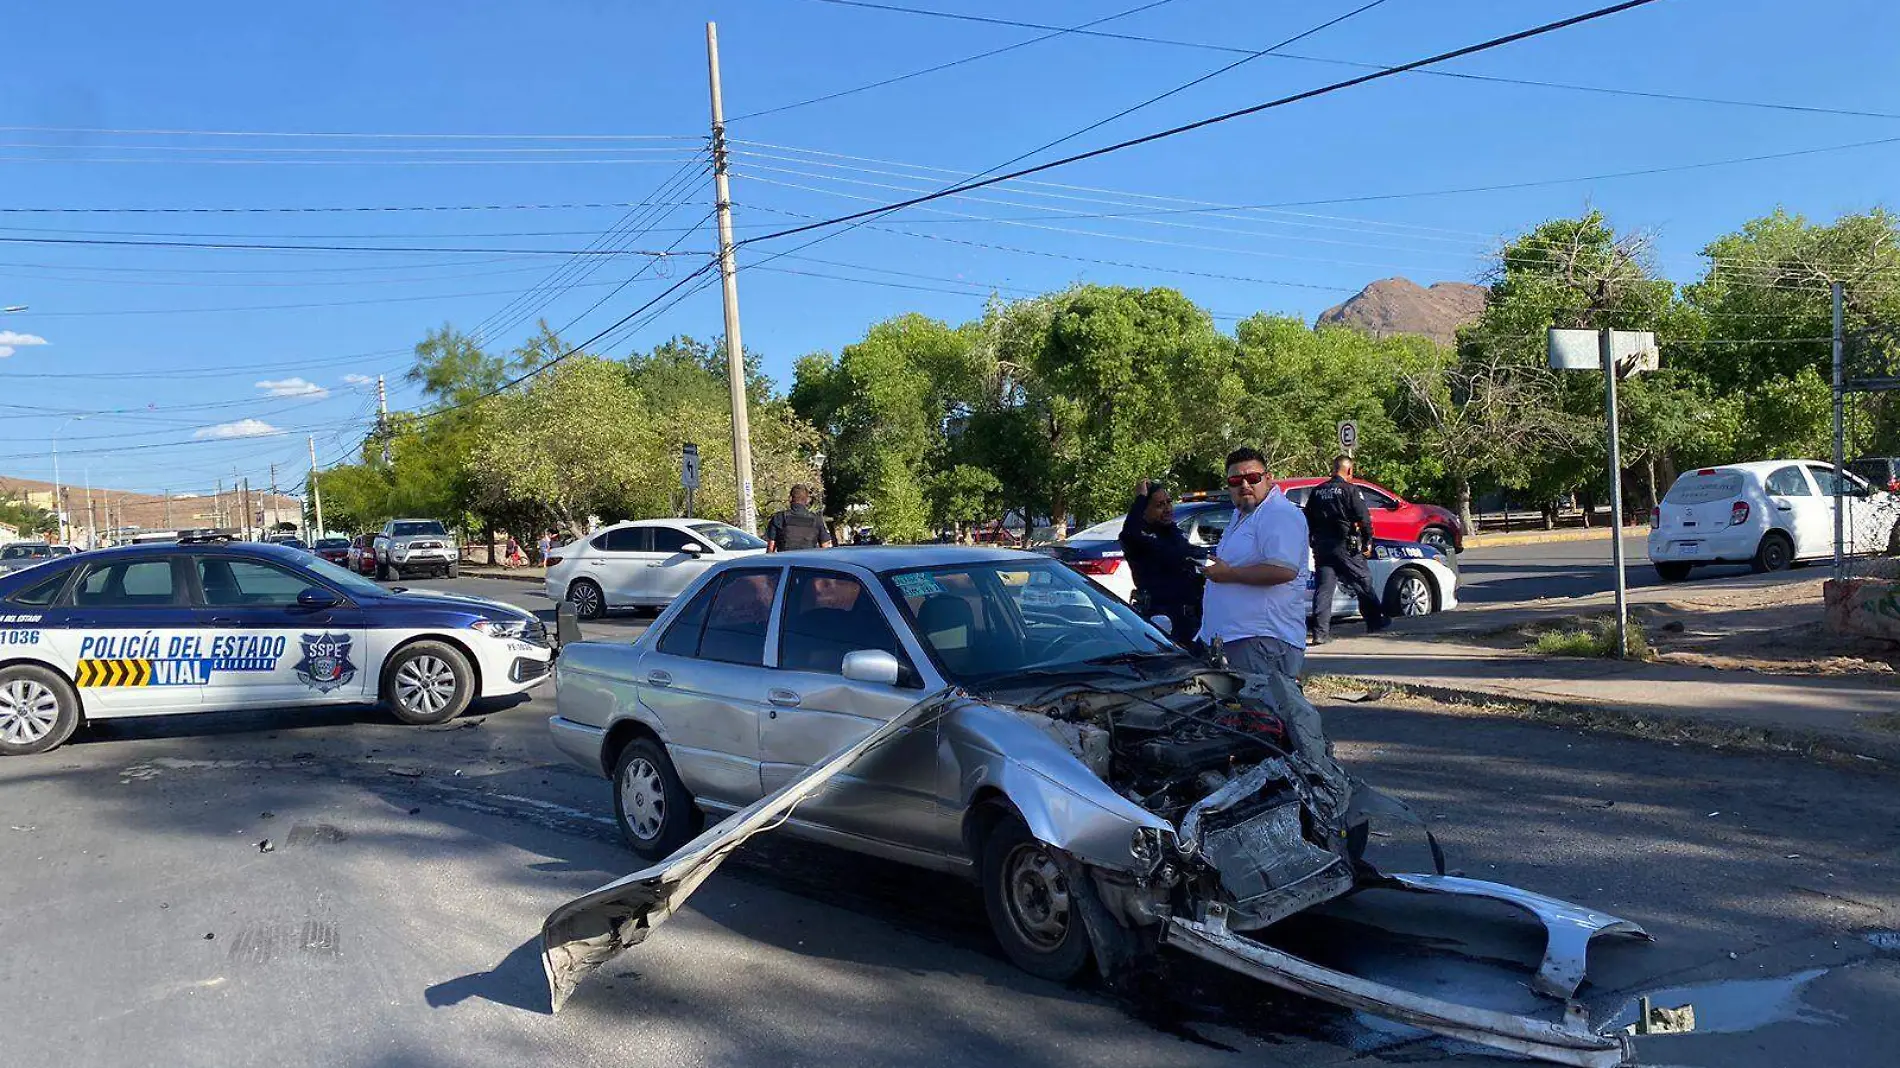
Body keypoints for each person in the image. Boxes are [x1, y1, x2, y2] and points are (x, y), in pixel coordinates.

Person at [1198, 446, 1311, 680]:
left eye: (1252, 478)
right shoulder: (1243, 514)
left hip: (1264, 641)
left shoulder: (1279, 513)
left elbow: (1283, 569)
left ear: (1268, 479)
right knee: (1244, 714)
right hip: (1239, 639)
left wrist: (1229, 574)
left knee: (1266, 713)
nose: (1244, 485)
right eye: (1236, 480)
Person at [1303, 455, 1389, 643]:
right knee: (1363, 581)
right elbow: (1363, 518)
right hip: (1345, 546)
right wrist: (1367, 540)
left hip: (1322, 547)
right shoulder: (1350, 490)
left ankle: (1320, 633)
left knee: (1324, 589)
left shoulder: (1317, 492)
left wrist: (1312, 538)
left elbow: (1306, 518)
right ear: (1349, 471)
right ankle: (1375, 621)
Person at [1118, 481, 1205, 649]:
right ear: (1144, 510)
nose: (1167, 508)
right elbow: (1129, 534)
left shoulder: (1173, 534)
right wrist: (1141, 497)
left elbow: (1187, 555)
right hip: (1163, 621)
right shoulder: (1139, 540)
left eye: (1168, 502)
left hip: (1191, 619)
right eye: (1159, 505)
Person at [764, 485, 834, 552]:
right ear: (807, 500)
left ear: (790, 498)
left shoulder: (779, 517)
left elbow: (771, 548)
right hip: (808, 562)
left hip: (785, 562)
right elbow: (825, 546)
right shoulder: (816, 519)